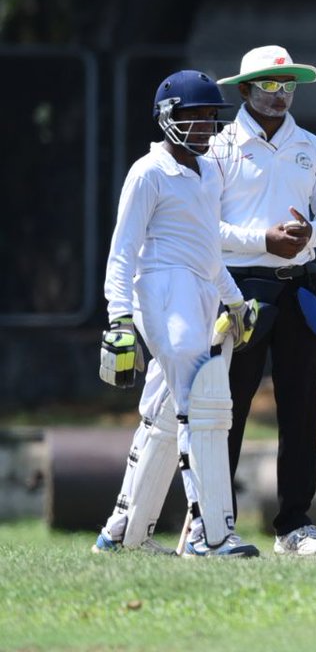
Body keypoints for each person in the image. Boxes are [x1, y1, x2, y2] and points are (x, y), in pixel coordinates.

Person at [94, 70, 259, 557]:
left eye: (211, 117)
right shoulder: (148, 172)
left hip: (201, 291)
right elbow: (123, 252)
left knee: (168, 416)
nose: (205, 126)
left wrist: (232, 298)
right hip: (161, 291)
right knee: (204, 406)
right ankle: (211, 536)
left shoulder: (209, 173)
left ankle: (124, 534)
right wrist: (119, 320)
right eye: (194, 116)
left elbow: (208, 249)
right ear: (167, 118)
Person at [213, 45, 316, 556]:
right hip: (237, 288)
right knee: (227, 405)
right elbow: (208, 227)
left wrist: (308, 235)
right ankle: (214, 522)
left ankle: (295, 523)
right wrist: (261, 240)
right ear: (245, 89)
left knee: (299, 404)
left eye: (287, 85)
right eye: (268, 86)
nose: (279, 95)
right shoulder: (220, 147)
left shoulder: (309, 145)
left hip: (297, 285)